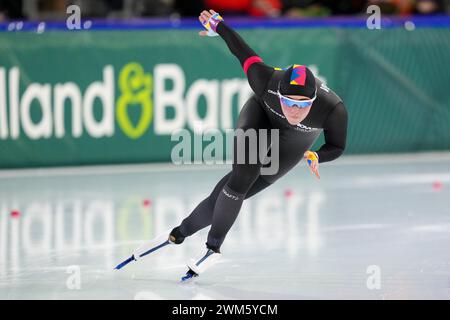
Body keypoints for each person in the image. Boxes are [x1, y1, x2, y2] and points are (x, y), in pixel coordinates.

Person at [115, 9, 348, 281]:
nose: (294, 111)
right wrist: (219, 26)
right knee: (239, 180)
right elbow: (242, 51)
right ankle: (206, 245)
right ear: (279, 92)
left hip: (294, 144)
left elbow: (337, 145)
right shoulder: (265, 80)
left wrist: (317, 156)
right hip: (260, 115)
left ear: (314, 101)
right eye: (288, 102)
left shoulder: (333, 110)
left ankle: (179, 233)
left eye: (301, 106)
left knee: (235, 193)